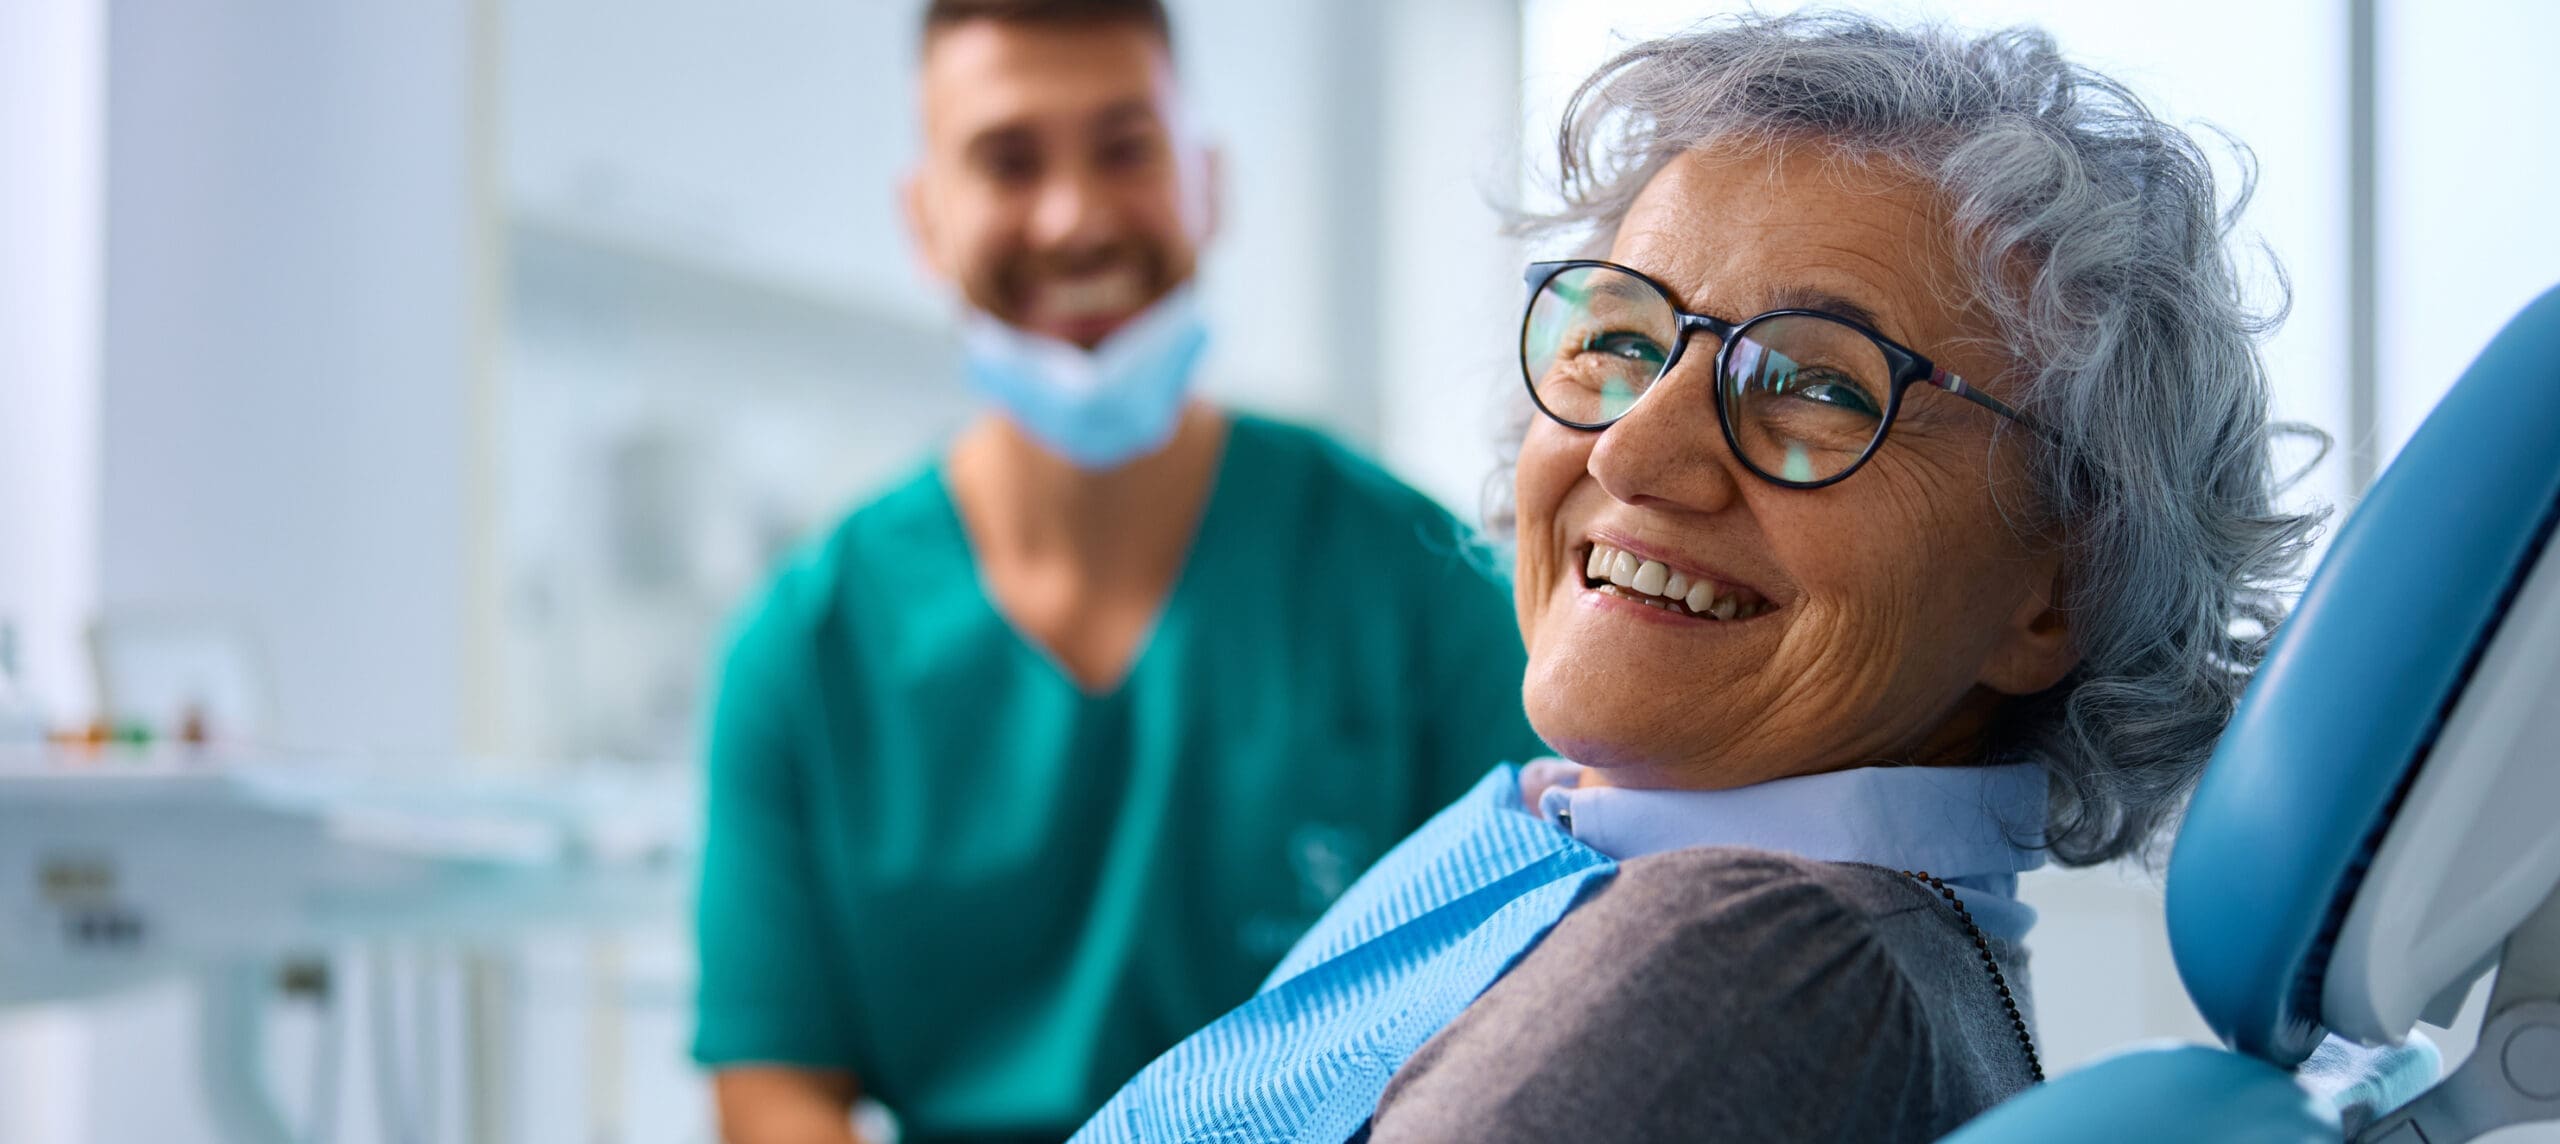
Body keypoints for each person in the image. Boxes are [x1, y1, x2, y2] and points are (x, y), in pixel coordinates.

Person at [1067, 13, 2327, 1143]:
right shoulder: (1584, 843)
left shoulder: (1756, 963)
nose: (1633, 446)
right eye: (1623, 337)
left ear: (2058, 586)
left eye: (1822, 386)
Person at [690, 2, 1546, 1142]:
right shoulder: (805, 652)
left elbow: (1537, 1008)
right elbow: (774, 1082)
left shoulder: (1419, 588)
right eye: (1006, 161)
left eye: (1125, 149)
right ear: (925, 220)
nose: (1075, 217)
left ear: (1208, 183)